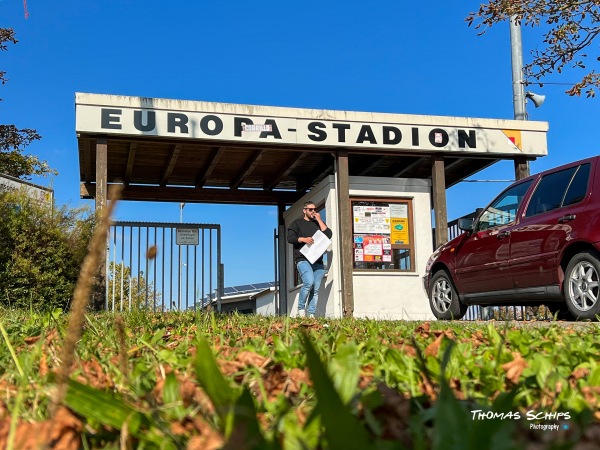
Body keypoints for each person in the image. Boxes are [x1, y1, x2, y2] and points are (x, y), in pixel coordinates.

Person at [287, 200, 333, 318]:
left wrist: (318, 219)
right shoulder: (297, 223)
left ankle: (311, 313)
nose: (313, 211)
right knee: (308, 282)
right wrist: (303, 239)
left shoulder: (318, 224)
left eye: (315, 209)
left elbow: (328, 234)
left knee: (315, 288)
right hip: (303, 259)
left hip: (317, 261)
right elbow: (290, 238)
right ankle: (301, 309)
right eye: (310, 209)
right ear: (304, 210)